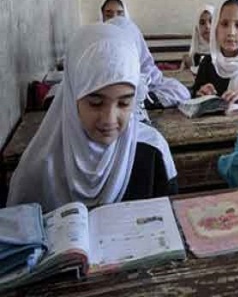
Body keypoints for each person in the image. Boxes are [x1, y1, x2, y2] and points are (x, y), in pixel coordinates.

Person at [7, 24, 178, 212]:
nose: (109, 119)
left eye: (124, 103)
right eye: (95, 103)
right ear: (72, 96)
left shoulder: (153, 152)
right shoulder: (41, 167)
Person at [183, 4, 214, 68]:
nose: (207, 26)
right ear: (197, 27)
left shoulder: (224, 52)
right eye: (202, 23)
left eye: (211, 21)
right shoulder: (194, 54)